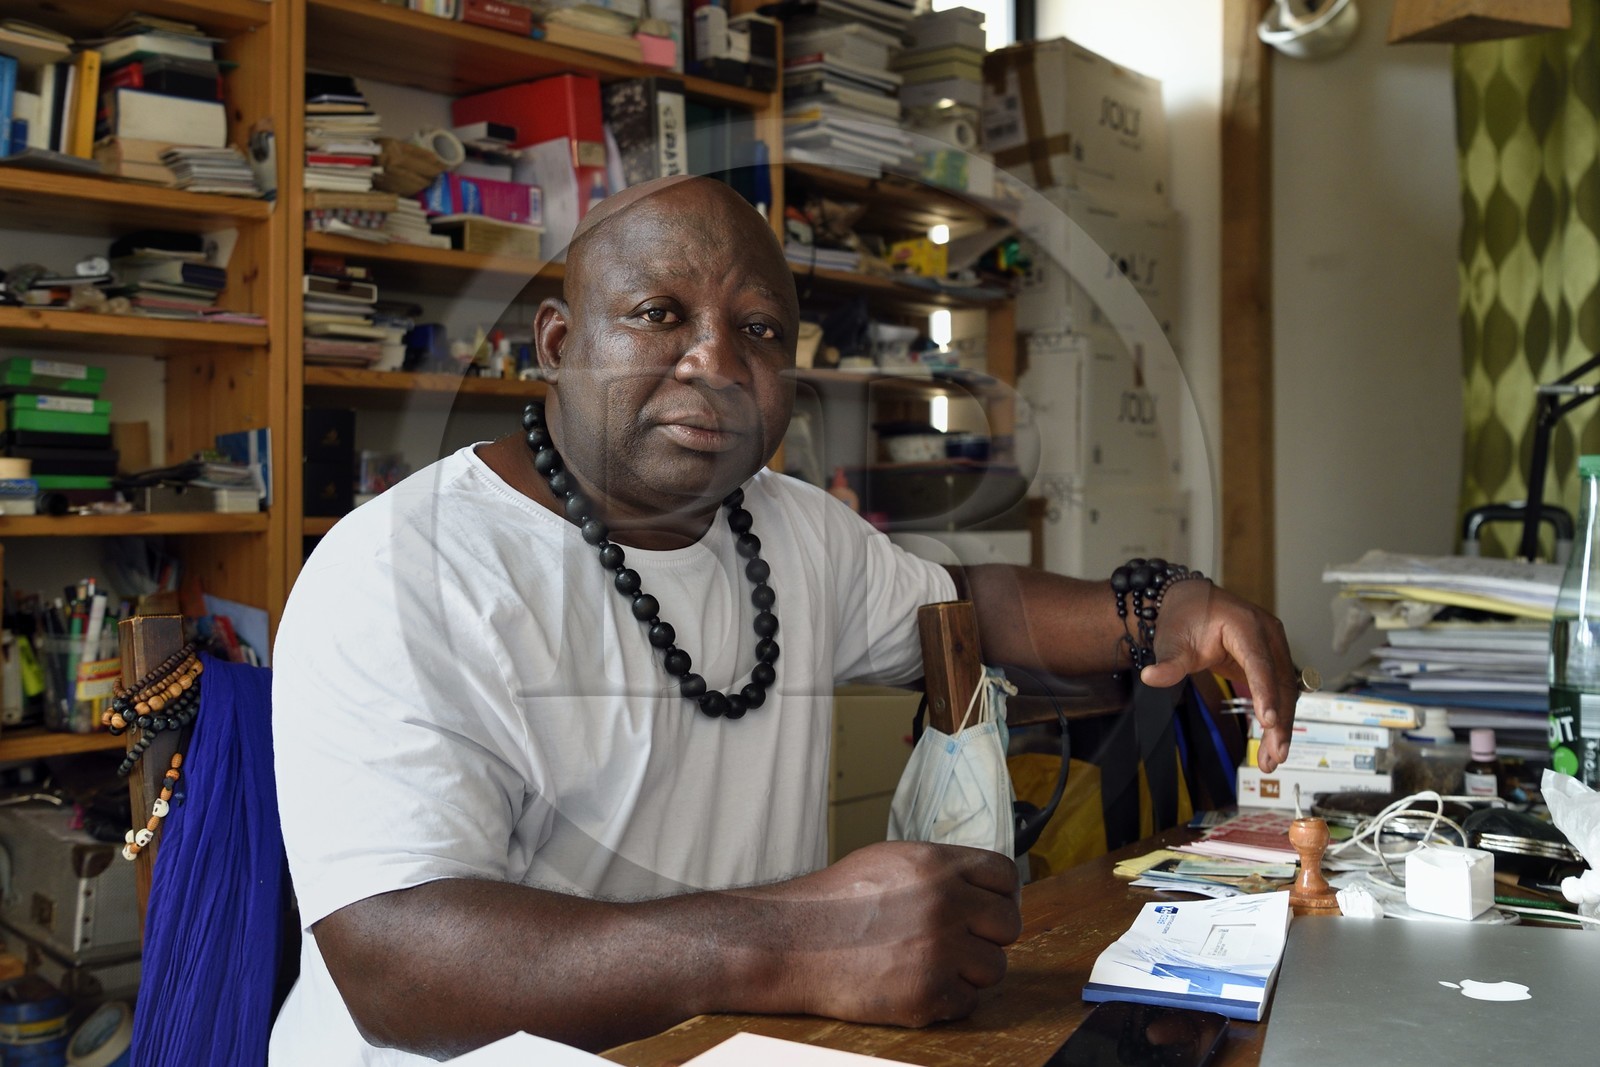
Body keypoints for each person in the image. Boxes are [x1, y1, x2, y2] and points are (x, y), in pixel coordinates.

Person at [269, 175, 1299, 1064]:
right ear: (556, 341)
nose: (714, 360)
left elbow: (960, 609)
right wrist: (799, 940)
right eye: (660, 313)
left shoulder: (789, 525)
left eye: (757, 329)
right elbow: (394, 961)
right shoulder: (406, 569)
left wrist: (1160, 607)